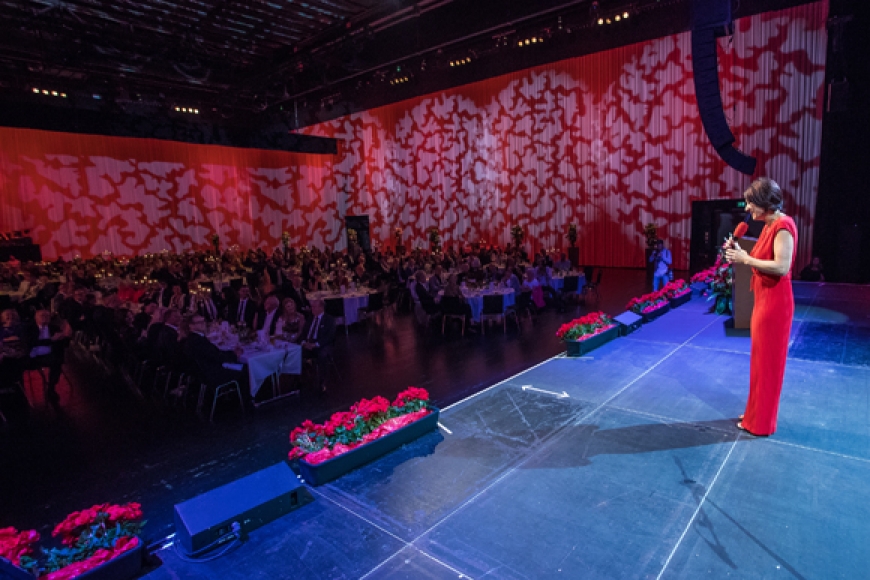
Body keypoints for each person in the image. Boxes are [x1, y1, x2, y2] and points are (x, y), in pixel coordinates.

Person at [725, 177, 797, 437]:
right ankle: (756, 411)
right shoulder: (768, 225)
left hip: (776, 305)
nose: (747, 207)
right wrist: (737, 248)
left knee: (768, 364)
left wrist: (746, 259)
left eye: (751, 202)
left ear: (765, 203)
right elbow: (761, 254)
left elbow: (781, 267)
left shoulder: (783, 226)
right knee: (758, 362)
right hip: (763, 299)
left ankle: (762, 422)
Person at [300, 299, 336, 392]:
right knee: (295, 353)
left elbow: (330, 336)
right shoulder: (310, 318)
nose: (312, 309)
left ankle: (322, 381)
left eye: (314, 307)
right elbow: (303, 333)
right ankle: (299, 380)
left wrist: (316, 344)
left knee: (322, 355)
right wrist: (304, 342)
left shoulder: (329, 320)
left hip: (322, 344)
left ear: (321, 307)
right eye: (312, 307)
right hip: (308, 343)